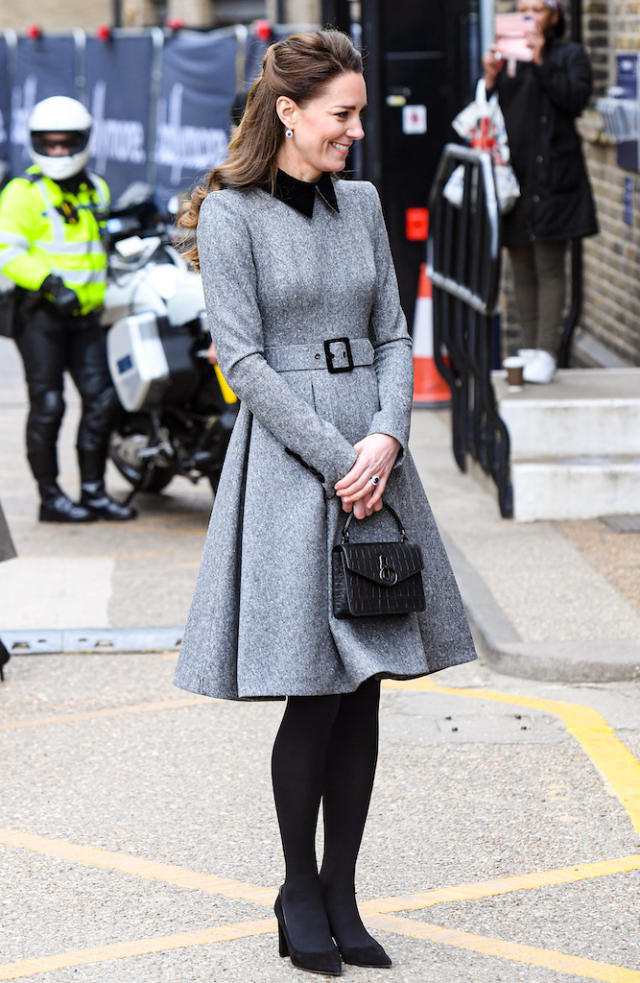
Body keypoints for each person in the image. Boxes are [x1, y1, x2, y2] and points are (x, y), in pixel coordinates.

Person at [174, 30, 476, 976]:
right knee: (314, 687)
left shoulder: (364, 201)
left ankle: (344, 888)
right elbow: (244, 360)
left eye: (358, 112)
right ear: (291, 113)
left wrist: (388, 437)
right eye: (342, 114)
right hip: (292, 462)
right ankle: (298, 888)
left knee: (368, 685)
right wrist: (340, 455)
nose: (357, 129)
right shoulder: (230, 216)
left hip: (376, 456)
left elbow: (393, 332)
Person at [0, 96, 136, 522]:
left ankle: (94, 492)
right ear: (36, 144)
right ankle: (50, 498)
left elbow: (99, 244)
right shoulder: (22, 193)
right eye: (49, 144)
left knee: (102, 401)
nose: (58, 151)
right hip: (39, 316)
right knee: (49, 404)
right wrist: (48, 282)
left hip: (87, 316)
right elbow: (6, 250)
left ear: (83, 141)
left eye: (66, 143)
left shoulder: (97, 187)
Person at [483, 0, 598, 384]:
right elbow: (492, 112)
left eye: (539, 8)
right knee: (520, 263)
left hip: (554, 177)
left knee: (550, 264)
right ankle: (530, 345)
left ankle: (547, 351)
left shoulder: (569, 55)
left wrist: (541, 58)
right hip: (514, 178)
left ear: (555, 16)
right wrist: (490, 78)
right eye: (524, 8)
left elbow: (574, 100)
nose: (530, 15)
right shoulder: (509, 58)